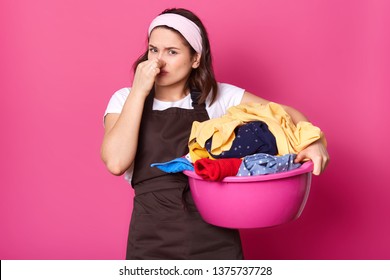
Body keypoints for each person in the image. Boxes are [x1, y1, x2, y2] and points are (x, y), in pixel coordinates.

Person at [101, 8, 329, 260]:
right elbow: (116, 162)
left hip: (214, 240)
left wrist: (314, 141)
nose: (158, 61)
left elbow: (286, 114)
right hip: (151, 238)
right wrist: (138, 91)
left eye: (172, 52)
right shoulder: (125, 99)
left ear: (195, 58)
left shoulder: (217, 98)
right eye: (153, 50)